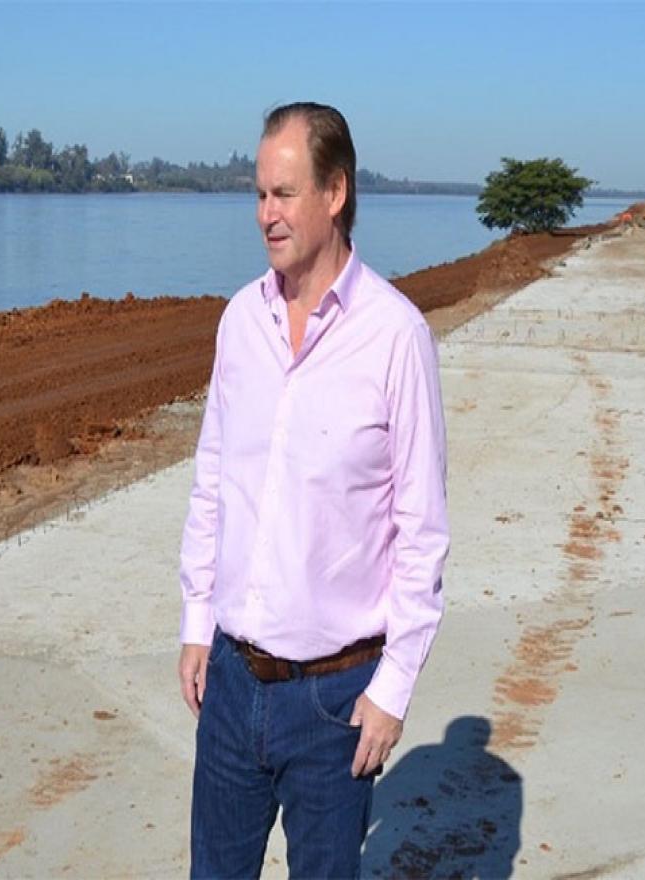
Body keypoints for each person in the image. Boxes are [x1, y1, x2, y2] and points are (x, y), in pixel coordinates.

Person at [176, 102, 450, 878]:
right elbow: (212, 480)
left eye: (285, 194)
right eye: (260, 194)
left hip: (336, 704)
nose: (267, 215)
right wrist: (198, 621)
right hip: (230, 685)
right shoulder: (239, 322)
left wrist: (393, 689)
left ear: (335, 193)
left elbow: (421, 529)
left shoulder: (396, 337)